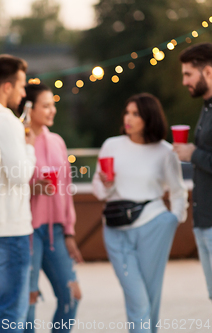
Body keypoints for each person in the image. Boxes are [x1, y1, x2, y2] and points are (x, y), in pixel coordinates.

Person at [92, 93, 188, 333]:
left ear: (149, 118)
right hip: (115, 229)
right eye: (127, 112)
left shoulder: (165, 152)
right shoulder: (111, 145)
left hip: (154, 226)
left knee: (151, 293)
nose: (128, 118)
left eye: (135, 114)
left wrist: (173, 219)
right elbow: (99, 191)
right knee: (138, 297)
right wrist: (106, 183)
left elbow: (178, 191)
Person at [16, 83, 82, 333]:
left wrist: (70, 232)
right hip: (27, 231)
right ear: (29, 109)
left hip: (56, 231)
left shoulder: (57, 141)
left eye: (53, 105)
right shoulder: (18, 141)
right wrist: (34, 187)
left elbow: (66, 188)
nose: (52, 110)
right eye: (46, 106)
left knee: (72, 295)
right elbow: (9, 185)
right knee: (28, 301)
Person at [0, 54, 36, 333]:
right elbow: (20, 175)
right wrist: (29, 147)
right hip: (10, 230)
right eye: (21, 85)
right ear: (6, 86)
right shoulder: (7, 120)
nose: (24, 92)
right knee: (12, 313)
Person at [175, 42, 212, 301]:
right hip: (203, 221)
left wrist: (193, 154)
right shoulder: (206, 108)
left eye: (188, 74)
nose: (184, 81)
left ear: (208, 72)